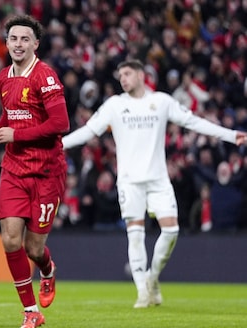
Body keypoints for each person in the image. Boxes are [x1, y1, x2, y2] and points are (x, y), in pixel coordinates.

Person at [62, 59, 246, 308]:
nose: (123, 79)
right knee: (135, 236)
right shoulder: (114, 105)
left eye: (127, 74)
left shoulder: (161, 101)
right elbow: (88, 131)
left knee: (171, 231)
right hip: (129, 181)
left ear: (141, 75)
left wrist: (231, 135)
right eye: (120, 75)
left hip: (158, 179)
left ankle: (153, 277)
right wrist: (58, 145)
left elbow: (195, 122)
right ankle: (142, 292)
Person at [0, 15, 69, 328]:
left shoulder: (45, 76)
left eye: (25, 39)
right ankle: (30, 311)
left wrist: (17, 135)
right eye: (13, 38)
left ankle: (48, 269)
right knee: (11, 241)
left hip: (46, 171)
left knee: (33, 249)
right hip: (13, 169)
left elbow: (60, 124)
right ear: (7, 42)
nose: (18, 44)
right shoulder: (3, 77)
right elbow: (8, 116)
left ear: (35, 44)